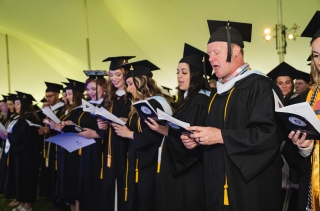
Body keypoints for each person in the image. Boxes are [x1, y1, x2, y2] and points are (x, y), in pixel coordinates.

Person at [181, 20, 283, 211]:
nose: (210, 58)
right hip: (216, 185)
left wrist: (221, 136)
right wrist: (198, 140)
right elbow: (213, 133)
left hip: (249, 190)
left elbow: (269, 134)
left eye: (216, 52)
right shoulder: (217, 93)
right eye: (209, 53)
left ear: (235, 51)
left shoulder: (260, 85)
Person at [145, 43, 210, 211]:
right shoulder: (187, 101)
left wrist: (167, 131)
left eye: (184, 72)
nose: (179, 76)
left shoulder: (199, 102)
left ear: (195, 75)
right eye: (178, 72)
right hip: (179, 172)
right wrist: (163, 129)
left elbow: (190, 142)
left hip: (188, 175)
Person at [112, 59, 172, 211]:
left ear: (141, 82)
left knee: (147, 200)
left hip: (150, 166)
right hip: (138, 161)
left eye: (131, 84)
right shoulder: (140, 103)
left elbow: (154, 136)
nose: (128, 88)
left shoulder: (156, 103)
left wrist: (129, 134)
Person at [285, 10, 320, 211]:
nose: (319, 61)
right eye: (315, 55)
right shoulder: (309, 98)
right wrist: (304, 148)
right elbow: (300, 156)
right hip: (313, 187)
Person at [97, 56, 135, 211]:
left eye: (117, 74)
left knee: (125, 184)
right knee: (110, 184)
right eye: (111, 75)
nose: (113, 79)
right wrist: (102, 125)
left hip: (127, 147)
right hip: (111, 149)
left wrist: (128, 120)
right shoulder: (109, 98)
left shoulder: (133, 96)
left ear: (126, 74)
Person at [0, 92, 41, 211]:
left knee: (27, 178)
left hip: (28, 155)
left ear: (25, 105)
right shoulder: (23, 118)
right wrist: (7, 136)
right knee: (21, 178)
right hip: (21, 154)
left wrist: (9, 135)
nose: (16, 106)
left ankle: (28, 205)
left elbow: (22, 137)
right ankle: (22, 203)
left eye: (18, 104)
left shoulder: (29, 118)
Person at [38, 82, 66, 210]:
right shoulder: (47, 109)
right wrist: (42, 129)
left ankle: (60, 201)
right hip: (48, 145)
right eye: (46, 96)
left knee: (58, 171)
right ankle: (51, 197)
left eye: (50, 96)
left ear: (57, 95)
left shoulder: (62, 109)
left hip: (58, 146)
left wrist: (52, 129)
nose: (47, 98)